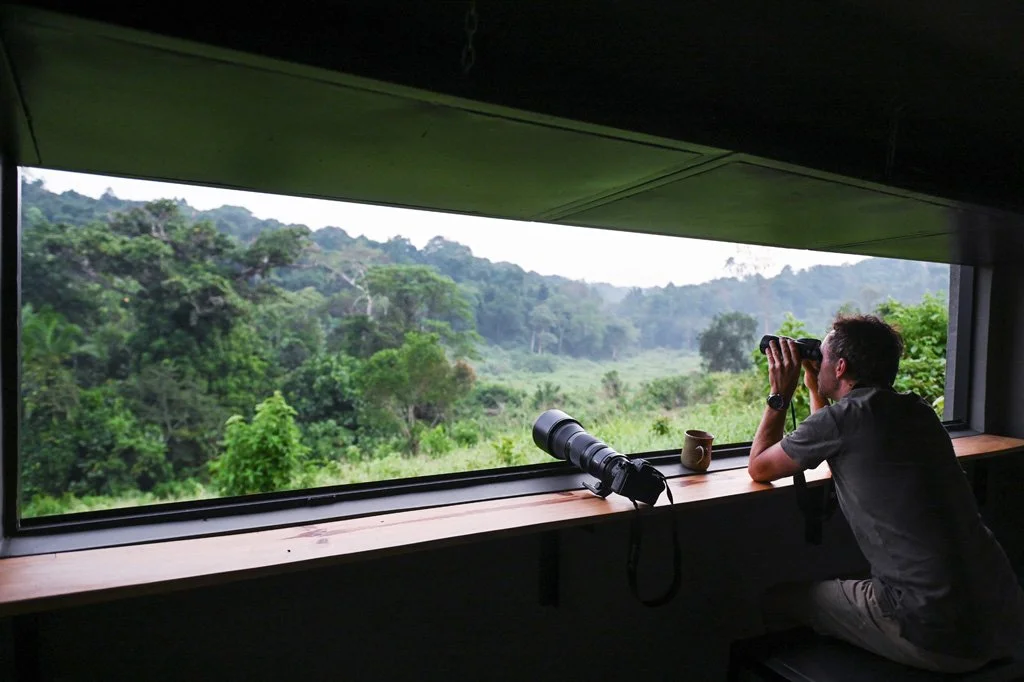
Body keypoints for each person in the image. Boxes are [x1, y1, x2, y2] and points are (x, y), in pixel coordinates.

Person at [748, 314, 1024, 673]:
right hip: (1003, 618)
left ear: (842, 366)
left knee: (778, 600)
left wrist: (780, 394)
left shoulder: (842, 421)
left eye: (826, 356)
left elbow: (759, 467)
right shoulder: (918, 411)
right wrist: (816, 388)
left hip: (938, 633)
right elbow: (834, 445)